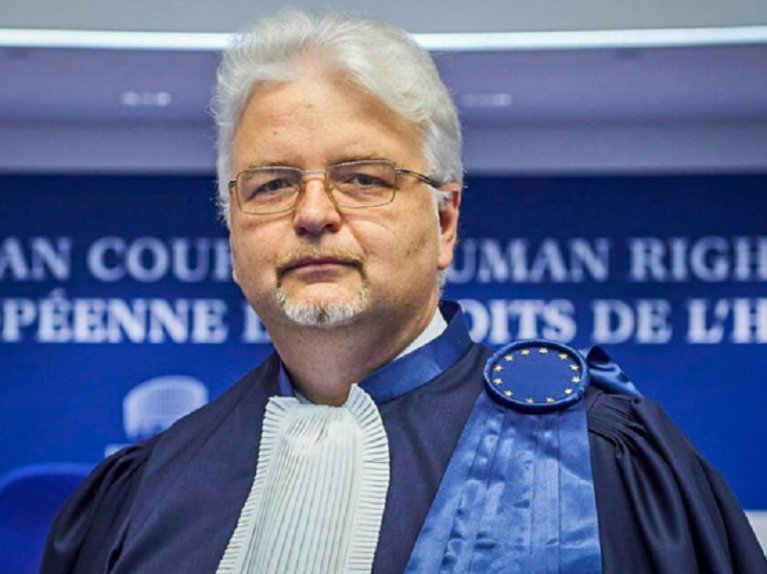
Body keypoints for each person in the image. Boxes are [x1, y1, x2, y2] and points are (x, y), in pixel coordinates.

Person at [41, 9, 766, 574]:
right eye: (271, 185)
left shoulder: (599, 457)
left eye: (362, 178)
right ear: (234, 236)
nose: (313, 213)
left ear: (445, 221)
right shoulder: (142, 491)